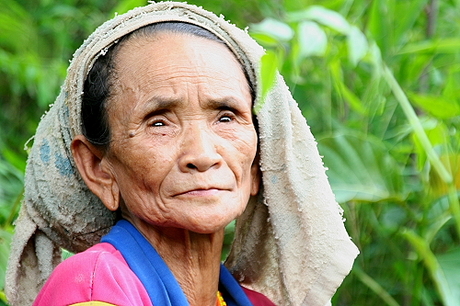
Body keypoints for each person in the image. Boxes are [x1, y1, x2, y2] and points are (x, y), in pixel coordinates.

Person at [6, 2, 359, 306]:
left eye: (226, 117)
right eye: (159, 123)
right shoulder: (93, 290)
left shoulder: (253, 301)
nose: (203, 155)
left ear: (257, 162)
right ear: (99, 168)